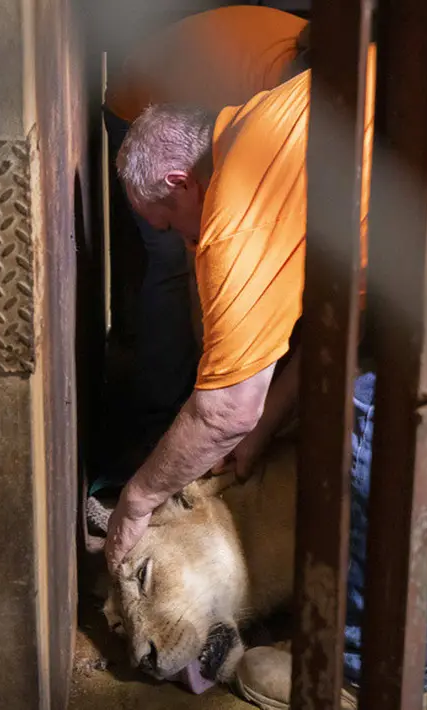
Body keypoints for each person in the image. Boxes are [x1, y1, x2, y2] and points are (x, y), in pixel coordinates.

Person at [104, 23, 427, 709]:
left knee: (375, 429)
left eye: (168, 221)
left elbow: (224, 405)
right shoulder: (271, 120)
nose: (177, 239)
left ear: (179, 180)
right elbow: (342, 323)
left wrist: (135, 500)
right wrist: (263, 431)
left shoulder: (235, 208)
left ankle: (359, 671)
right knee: (386, 384)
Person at [93, 5, 311, 497]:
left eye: (172, 218)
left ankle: (212, 412)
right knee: (177, 265)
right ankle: (156, 434)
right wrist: (214, 397)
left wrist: (241, 399)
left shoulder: (283, 124)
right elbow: (209, 267)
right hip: (143, 112)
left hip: (211, 119)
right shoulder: (265, 129)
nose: (183, 234)